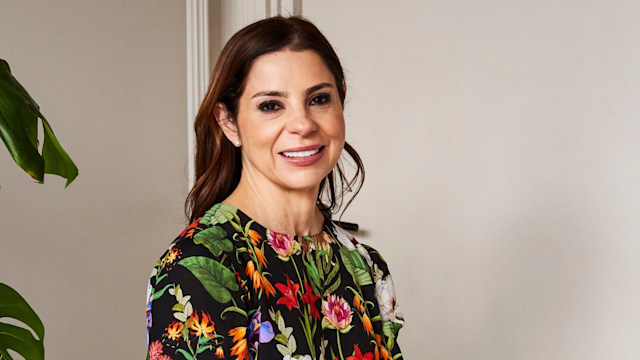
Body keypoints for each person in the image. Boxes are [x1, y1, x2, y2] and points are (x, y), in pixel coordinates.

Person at [146, 16, 404, 360]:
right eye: (271, 105)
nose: (302, 124)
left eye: (319, 99)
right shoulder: (200, 265)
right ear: (228, 122)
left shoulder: (365, 266)